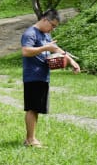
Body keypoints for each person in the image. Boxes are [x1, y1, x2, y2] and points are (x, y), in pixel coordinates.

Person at [21, 9, 80, 147]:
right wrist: (45, 47)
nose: (52, 29)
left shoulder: (45, 35)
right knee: (32, 108)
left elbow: (56, 49)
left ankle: (31, 138)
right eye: (52, 25)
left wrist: (72, 62)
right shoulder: (30, 33)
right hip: (32, 76)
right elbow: (25, 51)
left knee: (37, 108)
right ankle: (30, 139)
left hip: (43, 76)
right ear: (45, 19)